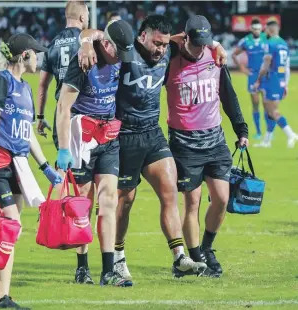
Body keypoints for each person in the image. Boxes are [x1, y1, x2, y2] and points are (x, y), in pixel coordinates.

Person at [76, 14, 227, 282]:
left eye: (164, 44)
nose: (160, 49)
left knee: (169, 192)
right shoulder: (126, 51)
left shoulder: (169, 48)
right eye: (156, 43)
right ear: (142, 36)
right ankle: (119, 258)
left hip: (152, 133)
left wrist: (216, 45)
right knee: (125, 202)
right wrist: (86, 43)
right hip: (123, 136)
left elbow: (193, 38)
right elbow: (94, 32)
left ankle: (180, 257)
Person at [0, 33, 62, 309]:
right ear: (24, 55)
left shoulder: (25, 88)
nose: (39, 58)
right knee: (7, 227)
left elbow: (26, 133)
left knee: (9, 231)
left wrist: (44, 167)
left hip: (18, 165)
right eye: (36, 53)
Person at [165, 15, 249, 277]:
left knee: (222, 198)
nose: (200, 48)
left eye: (206, 42)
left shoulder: (215, 57)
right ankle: (194, 258)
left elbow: (228, 95)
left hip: (215, 139)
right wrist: (173, 40)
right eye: (195, 42)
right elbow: (149, 45)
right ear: (185, 37)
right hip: (184, 142)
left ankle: (207, 247)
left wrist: (241, 129)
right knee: (193, 203)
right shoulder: (169, 59)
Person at [56, 19, 135, 287]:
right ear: (105, 44)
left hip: (108, 138)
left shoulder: (113, 51)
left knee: (109, 201)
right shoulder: (83, 63)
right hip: (82, 139)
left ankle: (108, 271)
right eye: (117, 53)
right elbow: (63, 108)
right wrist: (64, 150)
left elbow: (91, 32)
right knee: (83, 207)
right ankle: (82, 268)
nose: (119, 60)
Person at [35, 0, 95, 285]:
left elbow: (44, 84)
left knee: (69, 179)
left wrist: (38, 116)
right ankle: (82, 260)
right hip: (88, 118)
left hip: (63, 118)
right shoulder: (89, 39)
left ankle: (56, 226)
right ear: (83, 15)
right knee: (88, 190)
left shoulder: (54, 44)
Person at [253, 20, 298, 148]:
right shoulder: (284, 44)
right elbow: (287, 67)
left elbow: (266, 64)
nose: (264, 31)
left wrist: (258, 80)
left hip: (271, 79)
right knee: (270, 111)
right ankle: (267, 141)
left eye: (266, 29)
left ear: (271, 30)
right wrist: (286, 84)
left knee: (272, 111)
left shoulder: (270, 43)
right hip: (281, 79)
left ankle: (291, 134)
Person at [232, 19, 268, 140]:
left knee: (267, 104)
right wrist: (242, 68)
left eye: (259, 28)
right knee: (256, 104)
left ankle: (268, 132)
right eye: (255, 28)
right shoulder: (246, 41)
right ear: (251, 29)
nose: (257, 31)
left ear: (261, 28)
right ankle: (258, 132)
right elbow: (234, 54)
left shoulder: (266, 38)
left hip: (265, 75)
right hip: (252, 76)